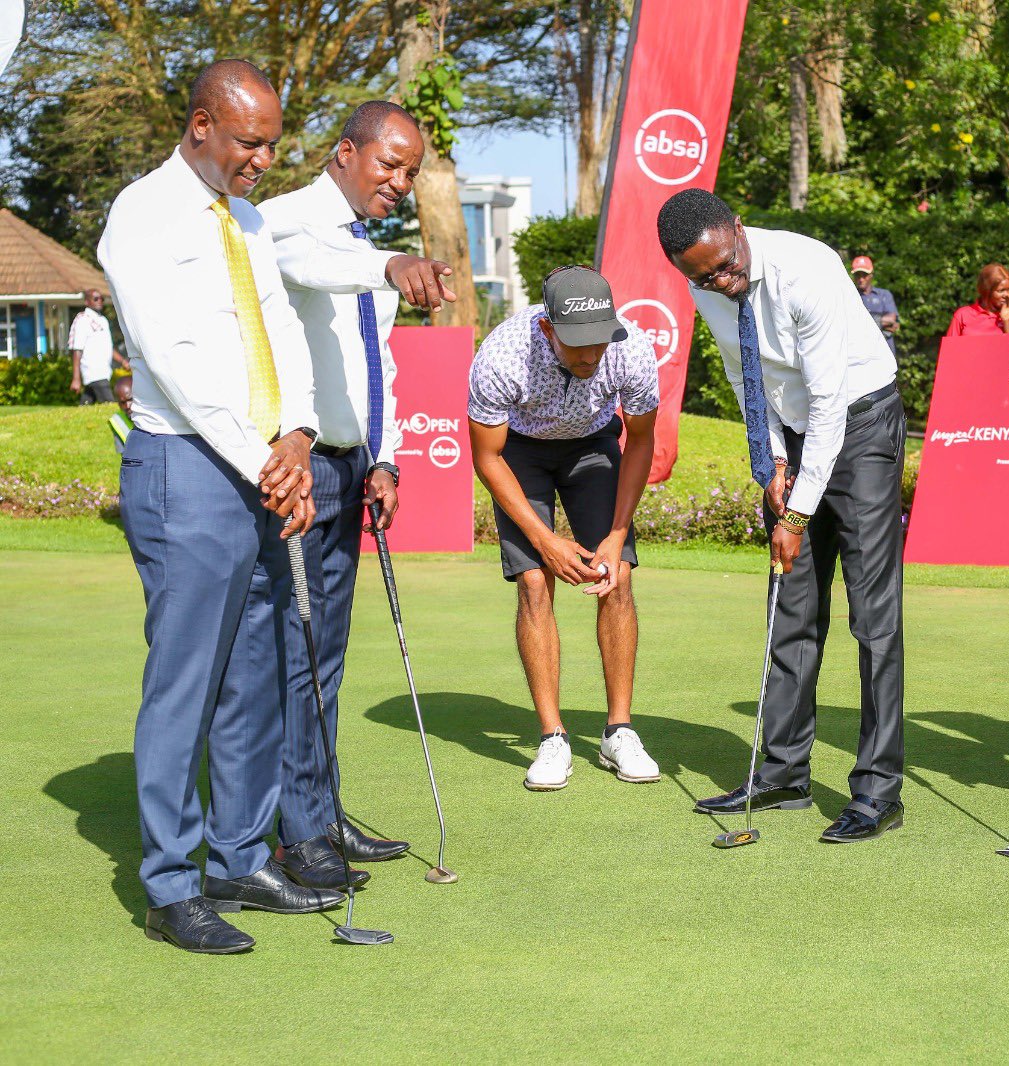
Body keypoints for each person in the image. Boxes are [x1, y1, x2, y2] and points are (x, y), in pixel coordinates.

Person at [98, 59, 344, 954]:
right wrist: (262, 456)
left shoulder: (244, 217)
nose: (264, 159)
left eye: (274, 142)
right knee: (187, 683)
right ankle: (172, 884)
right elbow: (174, 358)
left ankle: (241, 855)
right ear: (201, 125)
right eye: (249, 142)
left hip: (260, 461)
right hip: (187, 468)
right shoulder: (144, 211)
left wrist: (299, 436)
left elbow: (280, 328)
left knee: (253, 675)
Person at [658, 188, 907, 844]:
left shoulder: (808, 270)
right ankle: (783, 771)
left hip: (862, 422)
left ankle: (879, 791)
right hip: (793, 432)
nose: (721, 280)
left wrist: (795, 518)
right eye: (704, 275)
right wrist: (769, 462)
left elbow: (827, 404)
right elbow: (748, 377)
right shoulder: (704, 286)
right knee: (790, 605)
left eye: (726, 264)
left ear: (739, 229)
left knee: (872, 613)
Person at [259, 100, 458, 889]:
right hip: (297, 471)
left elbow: (380, 363)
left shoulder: (368, 244)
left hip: (351, 467)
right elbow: (305, 266)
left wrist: (388, 457)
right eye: (389, 165)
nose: (401, 183)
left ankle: (319, 812)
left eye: (411, 172)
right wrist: (386, 267)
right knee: (292, 656)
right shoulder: (284, 221)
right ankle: (291, 831)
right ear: (345, 152)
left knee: (326, 659)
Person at [468, 266, 663, 791]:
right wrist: (544, 539)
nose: (589, 356)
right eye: (576, 344)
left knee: (615, 575)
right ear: (547, 328)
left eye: (598, 342)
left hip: (593, 446)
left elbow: (641, 442)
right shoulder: (503, 355)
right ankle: (553, 737)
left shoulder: (631, 349)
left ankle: (618, 731)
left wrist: (618, 534)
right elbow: (486, 457)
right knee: (535, 583)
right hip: (519, 454)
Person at [68, 289, 127, 404]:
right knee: (110, 406)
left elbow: (109, 347)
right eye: (95, 299)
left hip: (104, 371)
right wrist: (76, 378)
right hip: (93, 371)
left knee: (86, 403)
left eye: (101, 299)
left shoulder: (103, 320)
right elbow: (77, 350)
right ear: (87, 302)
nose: (99, 301)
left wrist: (123, 361)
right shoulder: (82, 320)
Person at [944, 263, 1009, 336]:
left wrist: (1006, 322)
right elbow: (950, 346)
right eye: (1001, 290)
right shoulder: (963, 315)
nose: (1007, 294)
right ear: (986, 290)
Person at [851, 254, 900, 354]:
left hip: (885, 351)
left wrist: (861, 323)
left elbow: (892, 320)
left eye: (864, 275)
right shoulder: (850, 297)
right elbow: (849, 323)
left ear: (871, 275)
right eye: (857, 275)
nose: (861, 279)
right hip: (859, 352)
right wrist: (881, 321)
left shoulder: (884, 295)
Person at [108, 375, 133, 453]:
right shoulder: (117, 421)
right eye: (122, 403)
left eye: (130, 400)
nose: (127, 406)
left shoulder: (154, 413)